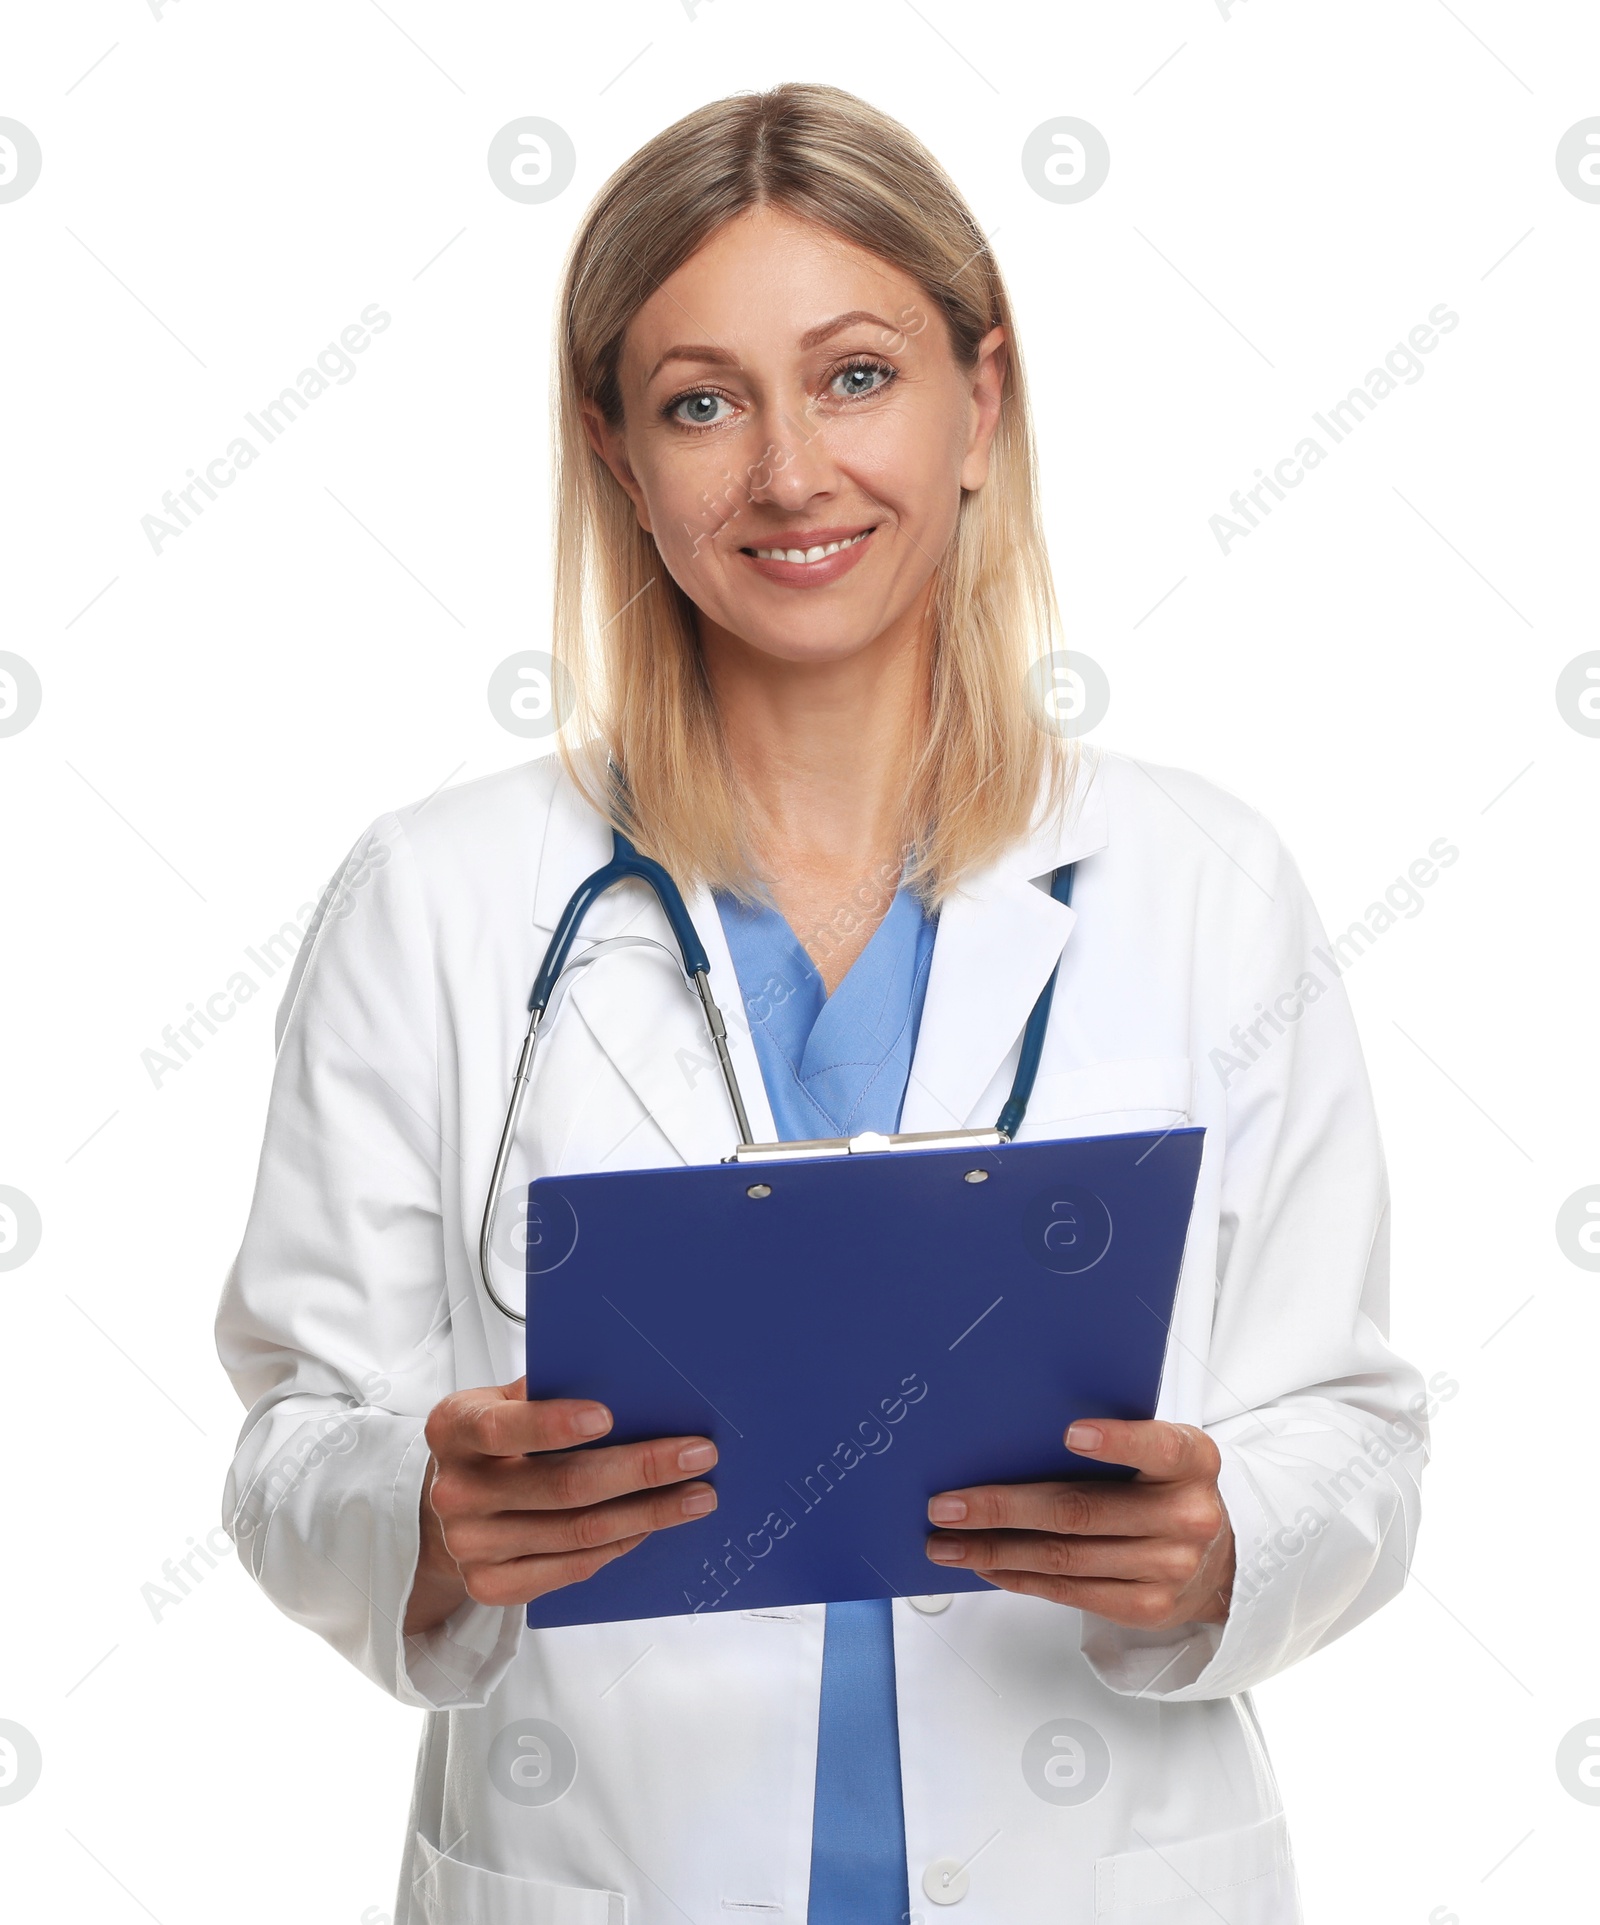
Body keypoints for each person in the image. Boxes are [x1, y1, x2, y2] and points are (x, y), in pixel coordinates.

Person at [217, 83, 1425, 1925]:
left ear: (981, 403)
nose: (788, 472)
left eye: (855, 375)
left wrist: (1225, 1541)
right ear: (620, 455)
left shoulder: (1206, 883)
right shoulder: (438, 899)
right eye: (703, 402)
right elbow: (292, 1440)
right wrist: (427, 1518)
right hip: (606, 1862)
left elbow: (1353, 1429)